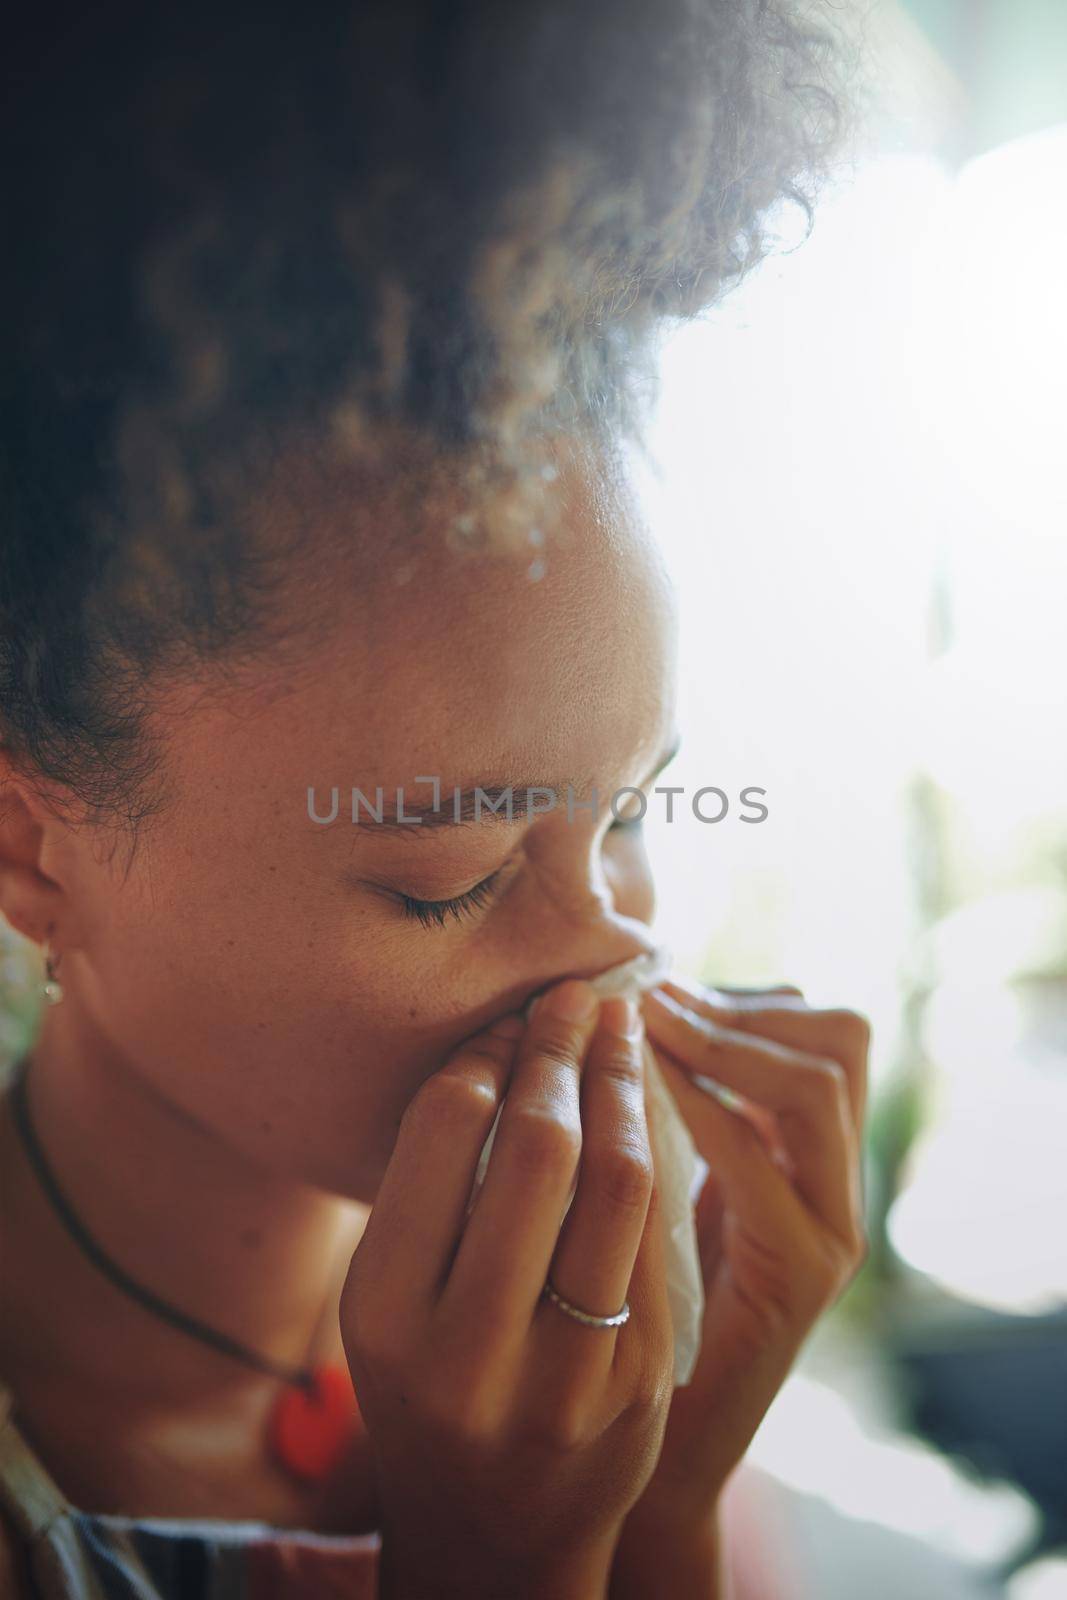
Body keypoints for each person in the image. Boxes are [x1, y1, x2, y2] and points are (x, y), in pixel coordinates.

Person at [0, 2, 870, 1595]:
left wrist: (661, 1504)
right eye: (449, 879)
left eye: (626, 818)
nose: (612, 954)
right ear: (33, 845)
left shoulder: (604, 1381)